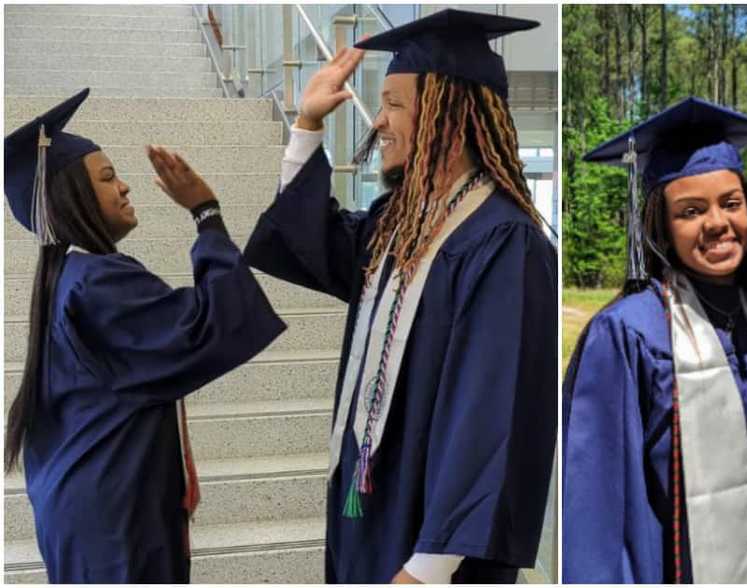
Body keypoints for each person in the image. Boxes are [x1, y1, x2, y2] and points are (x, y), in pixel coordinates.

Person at [243, 9, 557, 584]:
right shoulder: (398, 223)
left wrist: (429, 567)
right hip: (368, 505)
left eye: (395, 104)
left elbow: (491, 414)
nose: (378, 122)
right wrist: (307, 123)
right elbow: (310, 242)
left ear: (450, 115)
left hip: (433, 550)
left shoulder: (504, 242)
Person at [3, 88, 286, 583]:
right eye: (109, 178)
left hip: (87, 507)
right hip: (114, 521)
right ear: (73, 197)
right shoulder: (96, 283)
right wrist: (205, 213)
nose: (126, 187)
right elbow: (209, 326)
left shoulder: (67, 281)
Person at [563, 97, 747, 584]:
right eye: (691, 211)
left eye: (731, 203)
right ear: (662, 226)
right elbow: (597, 508)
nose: (717, 222)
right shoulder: (628, 334)